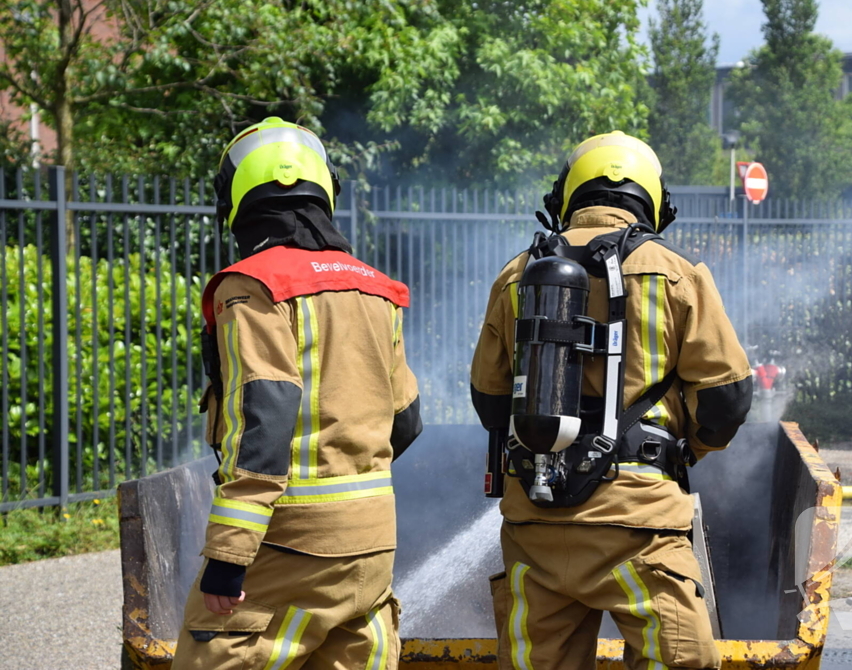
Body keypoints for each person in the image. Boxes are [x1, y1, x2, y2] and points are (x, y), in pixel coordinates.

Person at [471, 131, 752, 670]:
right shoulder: (676, 274)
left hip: (537, 523)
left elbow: (489, 400)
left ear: (566, 197)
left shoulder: (516, 277)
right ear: (654, 203)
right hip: (639, 527)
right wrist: (677, 452)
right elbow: (727, 398)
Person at [173, 117, 422, 670]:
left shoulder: (252, 286)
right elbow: (406, 421)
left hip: (285, 547)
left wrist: (229, 556)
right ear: (325, 190)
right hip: (371, 550)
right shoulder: (375, 287)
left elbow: (266, 414)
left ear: (239, 200)